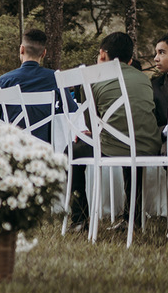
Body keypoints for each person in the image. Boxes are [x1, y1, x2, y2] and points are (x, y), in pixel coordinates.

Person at [66, 32, 161, 232]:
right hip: (149, 145)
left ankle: (80, 218)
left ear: (102, 54)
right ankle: (132, 218)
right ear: (130, 58)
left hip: (115, 146)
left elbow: (91, 125)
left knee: (73, 150)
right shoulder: (144, 78)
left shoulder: (92, 77)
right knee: (130, 145)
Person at [0, 29, 65, 140]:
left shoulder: (4, 81)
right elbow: (71, 111)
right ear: (44, 53)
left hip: (12, 147)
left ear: (22, 49)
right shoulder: (55, 78)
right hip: (44, 147)